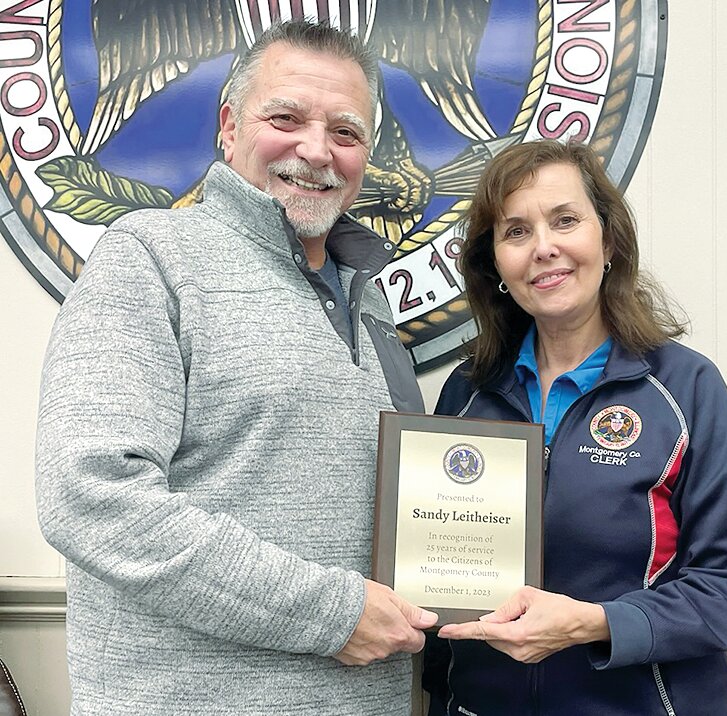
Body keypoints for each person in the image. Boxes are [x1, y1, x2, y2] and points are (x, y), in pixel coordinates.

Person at [35, 20, 437, 716]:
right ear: (228, 127)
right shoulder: (149, 258)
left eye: (346, 133)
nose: (316, 150)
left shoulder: (370, 301)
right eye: (285, 118)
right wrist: (331, 613)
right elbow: (91, 496)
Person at [423, 139, 727, 715]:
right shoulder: (467, 394)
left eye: (565, 220)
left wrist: (597, 624)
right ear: (494, 265)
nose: (544, 248)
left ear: (608, 240)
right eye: (515, 231)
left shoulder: (686, 389)